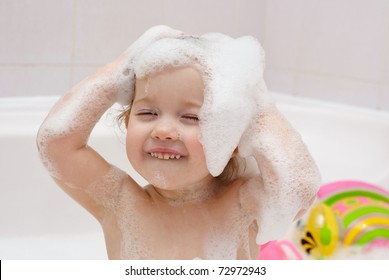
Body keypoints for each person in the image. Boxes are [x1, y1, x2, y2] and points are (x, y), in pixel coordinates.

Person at [36, 25, 321, 259]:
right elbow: (56, 142)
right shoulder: (119, 202)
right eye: (148, 113)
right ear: (126, 123)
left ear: (232, 138)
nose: (163, 130)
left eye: (191, 118)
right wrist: (118, 71)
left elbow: (298, 187)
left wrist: (257, 106)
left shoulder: (242, 203)